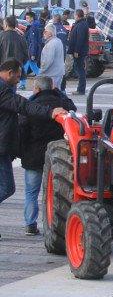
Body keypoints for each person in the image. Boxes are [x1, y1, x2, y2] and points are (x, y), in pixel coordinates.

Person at [0, 59, 68, 240]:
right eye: (18, 75)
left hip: (8, 149)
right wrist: (50, 112)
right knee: (6, 188)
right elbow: (23, 106)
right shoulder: (3, 91)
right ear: (9, 72)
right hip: (1, 148)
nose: (19, 79)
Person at [18, 76, 76, 236]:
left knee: (31, 191)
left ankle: (30, 223)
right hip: (59, 156)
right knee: (57, 191)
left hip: (33, 156)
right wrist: (59, 93)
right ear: (53, 88)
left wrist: (22, 151)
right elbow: (73, 108)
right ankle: (55, 223)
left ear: (36, 89)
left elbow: (22, 130)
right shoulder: (62, 104)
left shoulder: (30, 106)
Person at [67, 9, 90, 95]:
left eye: (74, 16)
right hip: (79, 50)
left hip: (79, 51)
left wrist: (76, 51)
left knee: (80, 70)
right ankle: (80, 88)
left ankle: (81, 89)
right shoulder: (80, 24)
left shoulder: (81, 25)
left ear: (77, 16)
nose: (74, 17)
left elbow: (80, 39)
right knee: (79, 69)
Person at [0, 16, 28, 88]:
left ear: (5, 24)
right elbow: (26, 55)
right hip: (15, 71)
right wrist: (18, 65)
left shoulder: (1, 36)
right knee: (12, 93)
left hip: (2, 71)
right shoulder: (21, 37)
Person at [39, 24, 65, 90]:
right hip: (58, 72)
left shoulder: (51, 44)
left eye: (45, 31)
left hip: (52, 73)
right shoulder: (58, 41)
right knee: (57, 92)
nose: (43, 33)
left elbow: (48, 60)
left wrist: (42, 70)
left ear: (50, 33)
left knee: (51, 93)